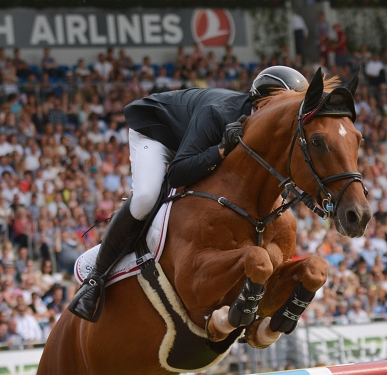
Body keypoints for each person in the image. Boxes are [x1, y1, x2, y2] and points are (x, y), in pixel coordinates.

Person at [68, 66, 309, 322]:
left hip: (194, 142)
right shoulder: (220, 112)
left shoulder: (262, 129)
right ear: (264, 102)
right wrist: (221, 150)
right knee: (145, 198)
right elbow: (178, 173)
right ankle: (95, 278)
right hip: (159, 135)